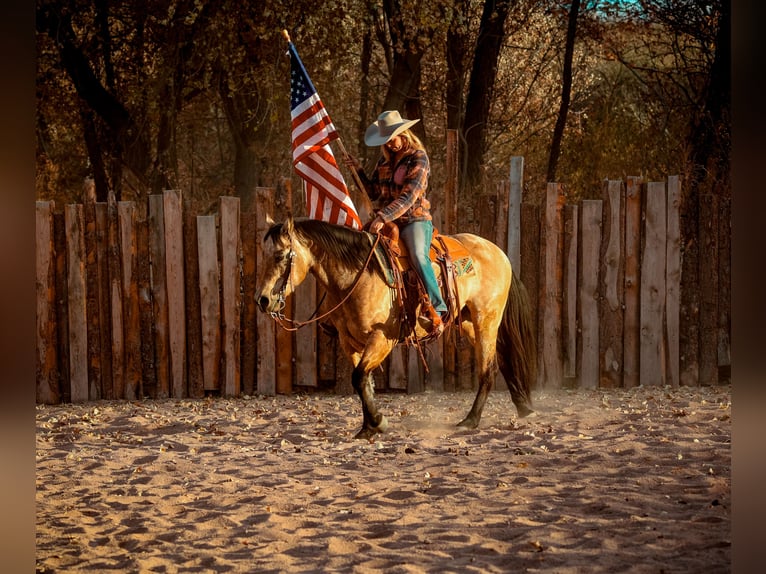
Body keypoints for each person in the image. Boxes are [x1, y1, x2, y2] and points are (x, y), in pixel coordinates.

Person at [345, 110, 449, 334]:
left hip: (413, 219)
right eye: (386, 140)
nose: (390, 144)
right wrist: (358, 171)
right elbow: (373, 191)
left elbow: (409, 196)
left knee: (418, 256)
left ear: (404, 133)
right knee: (358, 250)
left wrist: (383, 216)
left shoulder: (418, 158)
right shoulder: (384, 161)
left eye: (393, 138)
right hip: (388, 221)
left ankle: (438, 307)